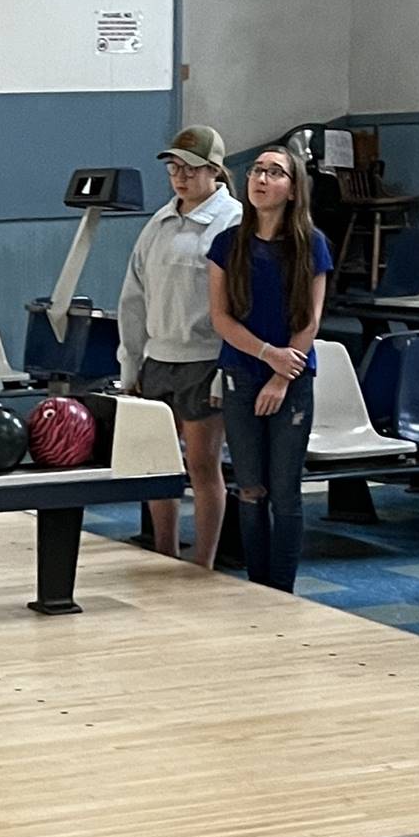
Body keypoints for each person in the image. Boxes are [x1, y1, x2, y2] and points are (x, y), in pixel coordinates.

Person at [207, 144, 333, 594]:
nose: (261, 179)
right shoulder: (226, 244)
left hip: (293, 379)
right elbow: (221, 318)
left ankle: (282, 589)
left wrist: (283, 374)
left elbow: (310, 319)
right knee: (250, 487)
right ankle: (256, 586)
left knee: (286, 491)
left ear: (293, 188)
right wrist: (265, 355)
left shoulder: (311, 244)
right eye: (256, 171)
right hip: (242, 372)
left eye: (274, 172)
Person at [117, 125, 242, 568]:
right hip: (158, 360)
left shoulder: (233, 221)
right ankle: (164, 552)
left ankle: (203, 561)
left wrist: (228, 369)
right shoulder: (159, 222)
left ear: (214, 171)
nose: (179, 177)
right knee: (157, 467)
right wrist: (131, 366)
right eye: (173, 168)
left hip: (204, 362)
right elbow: (133, 298)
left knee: (202, 468)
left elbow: (239, 306)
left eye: (189, 169)